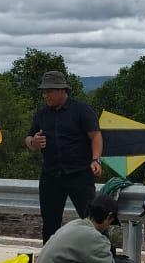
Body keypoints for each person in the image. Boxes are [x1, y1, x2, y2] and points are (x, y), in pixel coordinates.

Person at [24, 70, 103, 243]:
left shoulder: (82, 110)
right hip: (51, 176)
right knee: (50, 223)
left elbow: (95, 136)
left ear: (62, 90)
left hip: (80, 174)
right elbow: (28, 139)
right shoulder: (41, 114)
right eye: (44, 91)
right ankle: (50, 261)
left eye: (49, 91)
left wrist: (96, 159)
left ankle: (102, 258)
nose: (45, 95)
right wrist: (33, 142)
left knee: (91, 219)